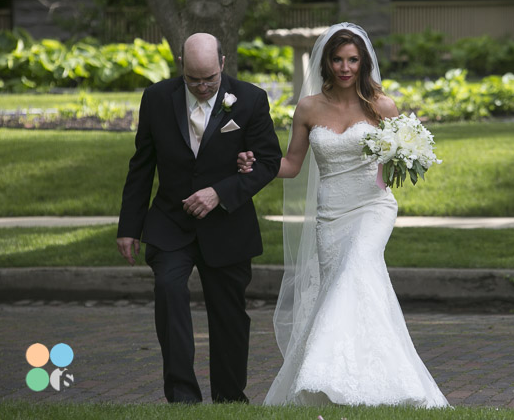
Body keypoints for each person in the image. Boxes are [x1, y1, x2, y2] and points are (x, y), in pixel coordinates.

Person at [238, 23, 449, 407]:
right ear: (327, 62)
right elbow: (291, 165)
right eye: (338, 59)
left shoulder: (382, 106)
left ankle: (330, 376)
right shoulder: (309, 107)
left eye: (352, 60)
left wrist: (399, 161)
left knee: (356, 269)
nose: (345, 67)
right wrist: (255, 165)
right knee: (344, 288)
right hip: (331, 215)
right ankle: (351, 381)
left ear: (363, 62)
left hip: (372, 207)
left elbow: (396, 159)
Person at [116, 32, 282, 404]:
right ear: (181, 66)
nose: (203, 86)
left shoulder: (250, 99)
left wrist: (220, 192)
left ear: (222, 63)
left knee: (229, 315)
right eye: (194, 79)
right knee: (169, 291)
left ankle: (229, 397)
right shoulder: (157, 98)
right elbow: (142, 166)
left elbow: (268, 162)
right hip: (170, 222)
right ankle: (182, 397)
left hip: (227, 224)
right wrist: (129, 227)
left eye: (210, 78)